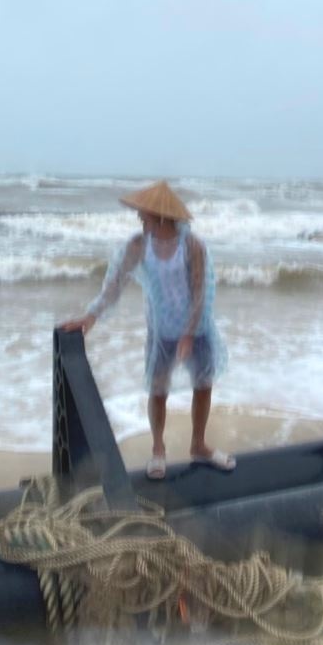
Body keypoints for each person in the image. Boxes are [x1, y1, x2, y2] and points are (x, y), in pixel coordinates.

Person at [59, 180, 233, 480]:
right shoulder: (139, 246)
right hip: (163, 332)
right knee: (158, 389)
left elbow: (200, 292)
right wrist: (90, 317)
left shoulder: (192, 245)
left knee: (203, 386)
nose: (140, 218)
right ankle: (157, 449)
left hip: (197, 328)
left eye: (145, 214)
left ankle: (199, 445)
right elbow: (114, 285)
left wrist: (190, 333)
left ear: (162, 216)